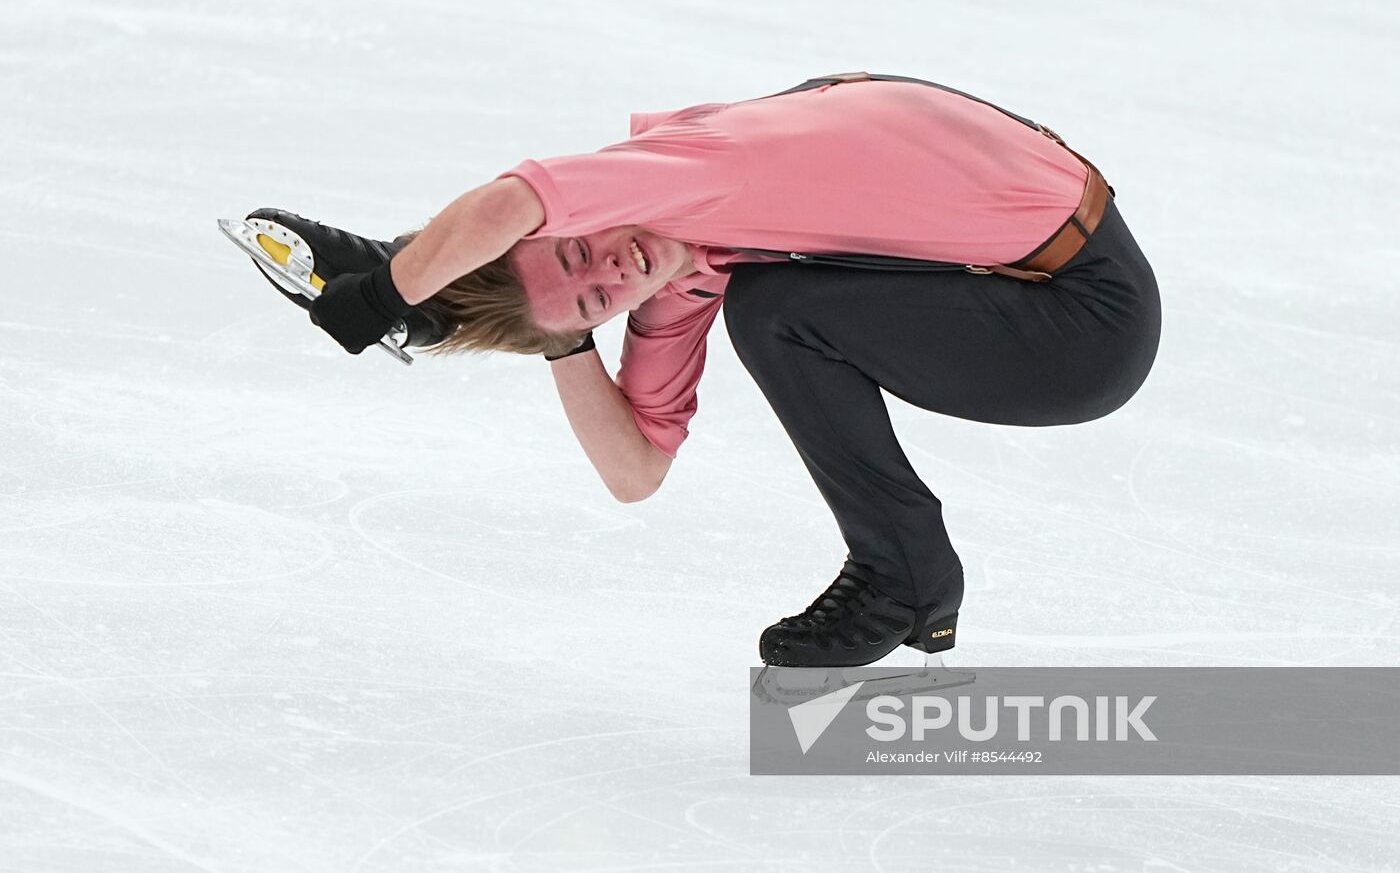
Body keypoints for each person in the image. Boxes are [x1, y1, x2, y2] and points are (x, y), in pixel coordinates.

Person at [271, 72, 1162, 668]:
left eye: (581, 249)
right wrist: (555, 341)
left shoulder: (703, 171)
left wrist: (387, 288)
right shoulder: (698, 257)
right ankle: (907, 577)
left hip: (1079, 319)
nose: (613, 272)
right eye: (593, 301)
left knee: (780, 312)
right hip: (1026, 290)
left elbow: (512, 205)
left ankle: (905, 579)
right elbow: (637, 469)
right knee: (770, 302)